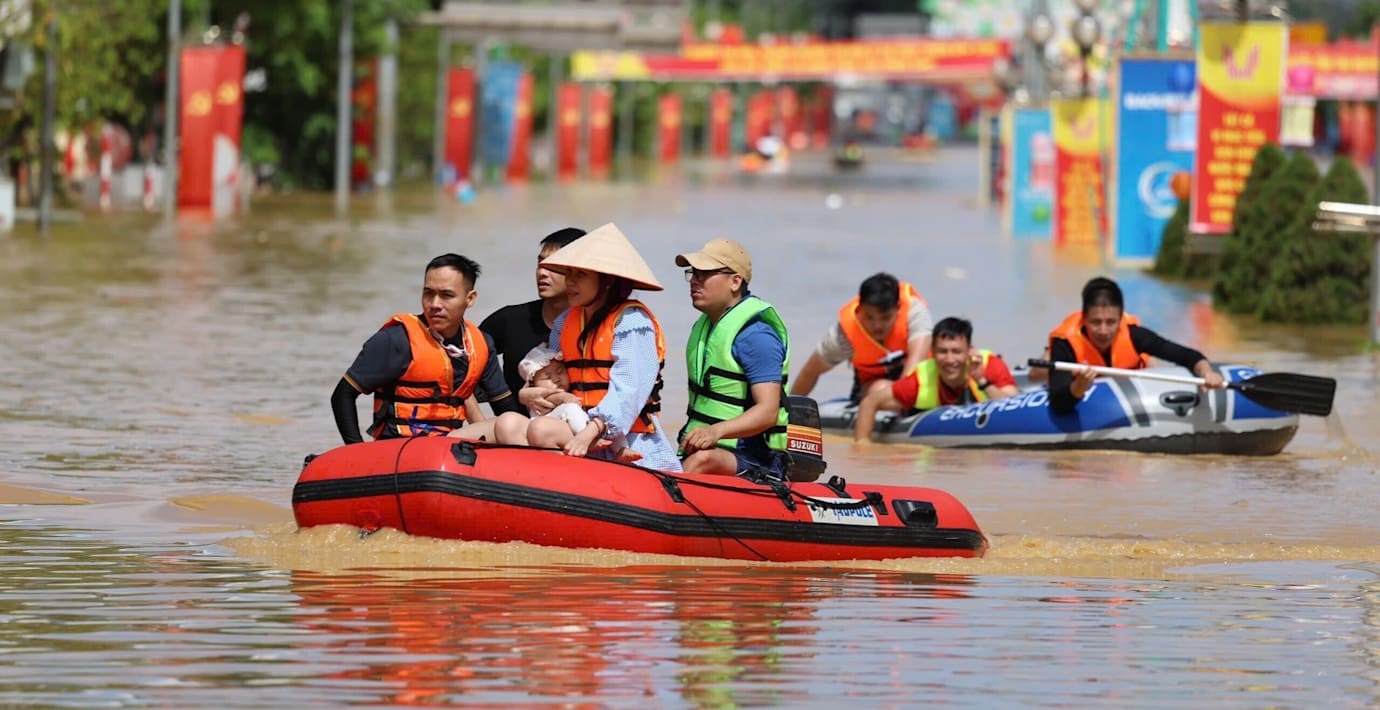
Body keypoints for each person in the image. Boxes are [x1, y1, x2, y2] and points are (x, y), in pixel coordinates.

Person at [492, 223, 682, 471]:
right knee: (508, 423)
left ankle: (574, 485)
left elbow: (629, 392)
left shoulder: (632, 322)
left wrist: (591, 430)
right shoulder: (566, 322)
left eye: (580, 275)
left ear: (607, 281)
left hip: (620, 438)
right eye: (568, 273)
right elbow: (554, 374)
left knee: (541, 430)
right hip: (573, 419)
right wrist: (530, 393)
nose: (570, 282)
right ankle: (536, 489)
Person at [332, 254, 518, 445]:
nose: (435, 304)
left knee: (514, 423)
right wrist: (357, 450)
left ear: (470, 299)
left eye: (447, 295)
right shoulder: (397, 340)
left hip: (448, 448)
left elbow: (505, 407)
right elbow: (342, 395)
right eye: (429, 293)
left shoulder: (481, 344)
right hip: (398, 448)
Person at [674, 238, 791, 478]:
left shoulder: (757, 336)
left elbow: (768, 411)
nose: (695, 280)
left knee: (702, 460)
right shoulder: (706, 326)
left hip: (755, 456)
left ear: (735, 281)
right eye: (693, 273)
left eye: (704, 274)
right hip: (707, 449)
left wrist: (716, 432)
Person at [1045, 276, 1225, 415]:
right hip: (1081, 390)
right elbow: (1059, 405)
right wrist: (1080, 385)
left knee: (1151, 363)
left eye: (1111, 322)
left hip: (1132, 393)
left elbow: (1188, 356)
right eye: (1095, 322)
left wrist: (1207, 373)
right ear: (1083, 319)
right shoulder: (1065, 343)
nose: (1103, 330)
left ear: (1120, 318)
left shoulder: (1134, 335)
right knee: (1041, 369)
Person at [854, 317, 1019, 442]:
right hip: (919, 416)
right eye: (942, 352)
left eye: (956, 351)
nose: (949, 359)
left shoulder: (991, 366)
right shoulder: (920, 379)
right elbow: (870, 402)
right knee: (878, 388)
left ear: (969, 350)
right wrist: (863, 446)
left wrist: (981, 380)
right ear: (932, 352)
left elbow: (1015, 407)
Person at [789, 272, 933, 403]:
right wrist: (786, 414)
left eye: (885, 318)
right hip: (873, 388)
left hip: (920, 382)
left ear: (897, 309)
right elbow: (810, 372)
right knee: (880, 388)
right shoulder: (843, 336)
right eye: (869, 317)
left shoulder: (915, 313)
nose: (877, 325)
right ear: (860, 309)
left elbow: (915, 365)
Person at [479, 227, 586, 402]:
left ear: (582, 272)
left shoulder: (600, 325)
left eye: (553, 266)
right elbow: (461, 366)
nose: (542, 272)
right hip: (512, 425)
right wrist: (497, 407)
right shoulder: (509, 320)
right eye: (540, 263)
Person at [515, 344, 640, 463]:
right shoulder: (539, 397)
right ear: (533, 385)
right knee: (570, 408)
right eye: (547, 377)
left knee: (608, 418)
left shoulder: (575, 390)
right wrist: (564, 397)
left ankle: (621, 449)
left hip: (576, 427)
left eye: (560, 372)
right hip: (548, 426)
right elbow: (556, 401)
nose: (556, 379)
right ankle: (590, 439)